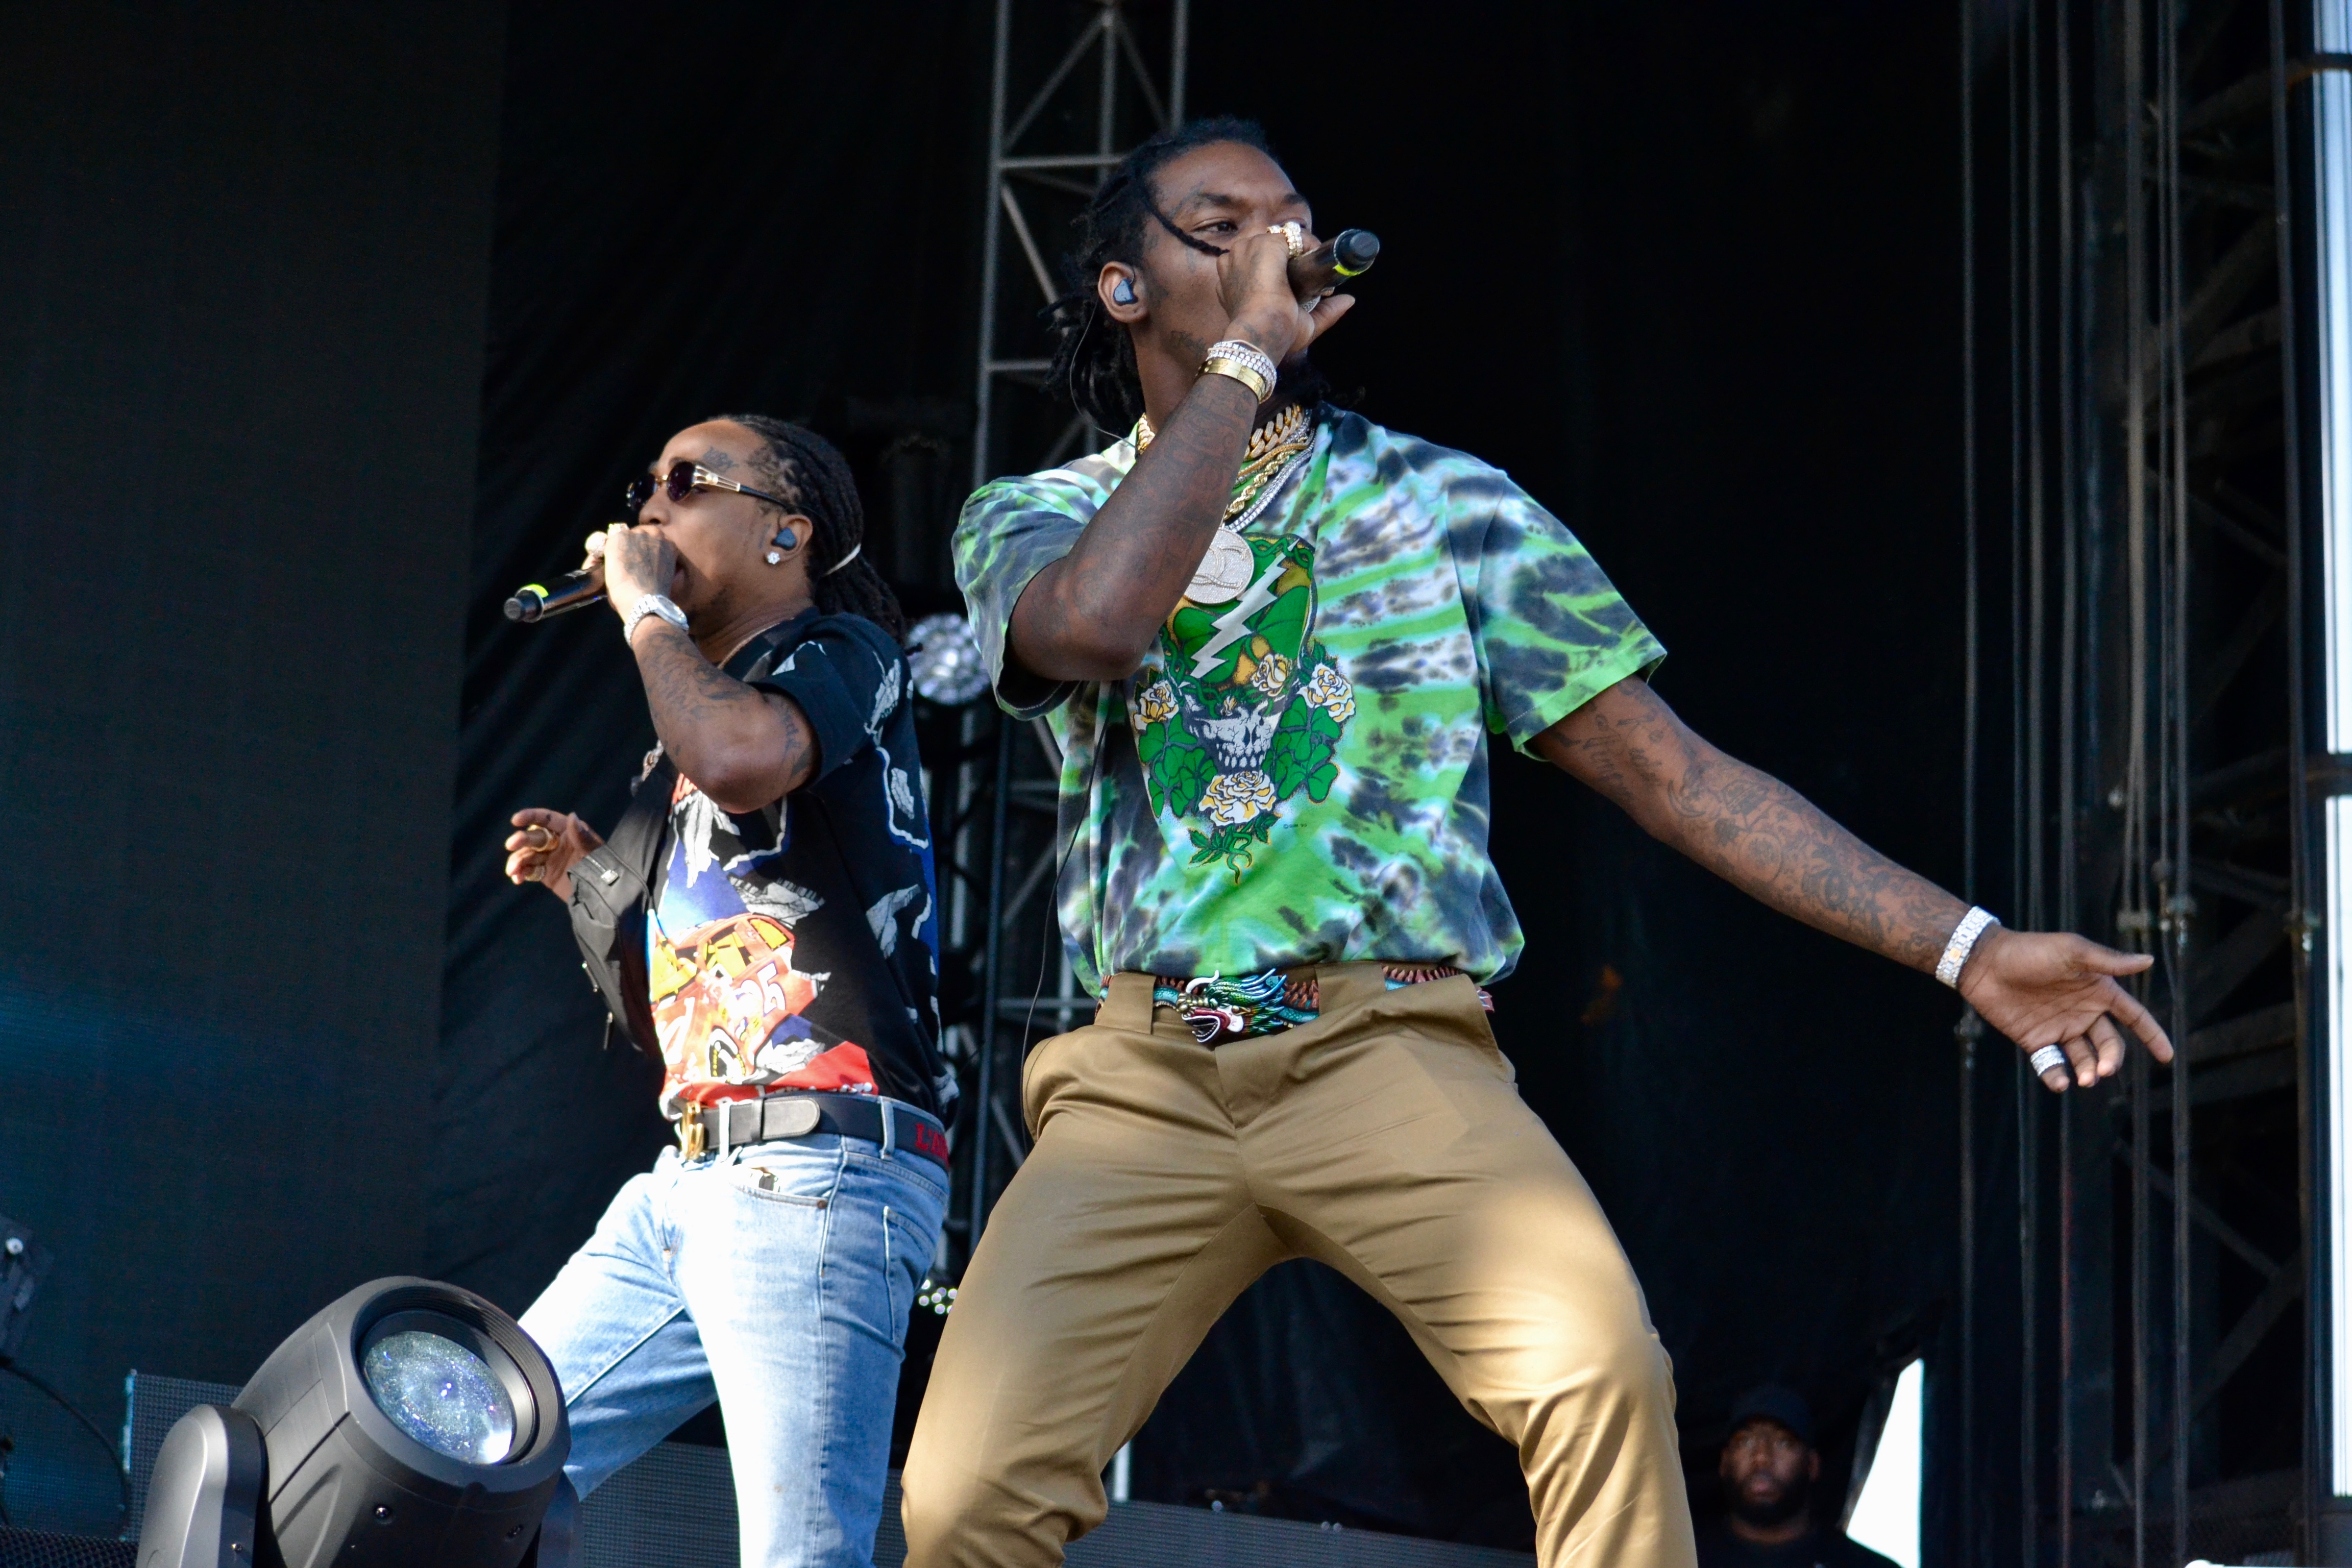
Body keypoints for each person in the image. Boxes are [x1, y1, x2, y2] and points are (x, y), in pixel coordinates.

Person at [908, 116, 2169, 1568]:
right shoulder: (1035, 516)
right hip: (1143, 1074)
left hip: (1387, 1048)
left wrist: (1970, 946)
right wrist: (1246, 361)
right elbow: (1099, 626)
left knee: (1599, 1380)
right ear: (1124, 289)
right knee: (963, 1500)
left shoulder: (1450, 507)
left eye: (1293, 224)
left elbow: (1678, 779)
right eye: (1218, 228)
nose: (1273, 249)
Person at [500, 416, 954, 1568]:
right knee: (481, 1452)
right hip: (687, 1182)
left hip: (819, 1171)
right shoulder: (680, 738)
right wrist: (586, 885)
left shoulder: (842, 654)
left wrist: (646, 612)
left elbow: (747, 758)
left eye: (686, 482)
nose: (650, 507)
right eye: (643, 484)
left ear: (784, 534)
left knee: (799, 1556)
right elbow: (681, 995)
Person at [1699, 1387, 1898, 1568]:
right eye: (1746, 1441)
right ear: (1724, 1462)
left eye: (1783, 1443)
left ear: (1811, 1465)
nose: (1762, 1457)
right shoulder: (1681, 1557)